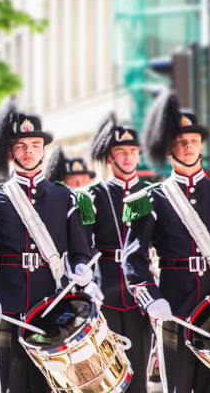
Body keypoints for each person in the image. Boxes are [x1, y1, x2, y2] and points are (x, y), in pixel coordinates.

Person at [121, 92, 210, 393]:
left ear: (201, 146)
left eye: (194, 140)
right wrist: (150, 297)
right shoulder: (152, 199)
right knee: (177, 387)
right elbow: (133, 259)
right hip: (174, 304)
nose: (188, 146)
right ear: (169, 148)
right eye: (181, 141)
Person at [0, 101, 93, 392]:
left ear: (44, 152)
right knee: (11, 385)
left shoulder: (66, 198)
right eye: (21, 145)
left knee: (53, 384)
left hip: (54, 306)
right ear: (10, 153)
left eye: (35, 145)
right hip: (7, 306)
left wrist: (83, 268)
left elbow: (79, 251)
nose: (28, 151)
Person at [84, 115, 152, 392]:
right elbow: (82, 246)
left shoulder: (151, 194)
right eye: (121, 152)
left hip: (141, 292)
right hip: (105, 289)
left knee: (139, 371)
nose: (128, 157)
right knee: (108, 373)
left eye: (133, 151)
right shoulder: (93, 195)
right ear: (110, 158)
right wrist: (87, 282)